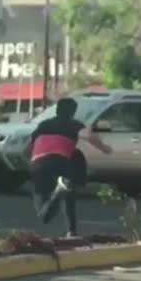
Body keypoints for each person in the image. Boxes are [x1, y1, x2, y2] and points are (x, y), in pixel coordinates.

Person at [26, 98, 112, 237]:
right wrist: (104, 148)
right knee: (69, 196)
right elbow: (88, 135)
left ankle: (59, 192)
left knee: (44, 215)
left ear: (57, 109)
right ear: (73, 112)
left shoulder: (43, 125)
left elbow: (27, 148)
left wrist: (31, 163)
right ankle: (71, 230)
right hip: (61, 162)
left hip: (39, 164)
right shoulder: (74, 125)